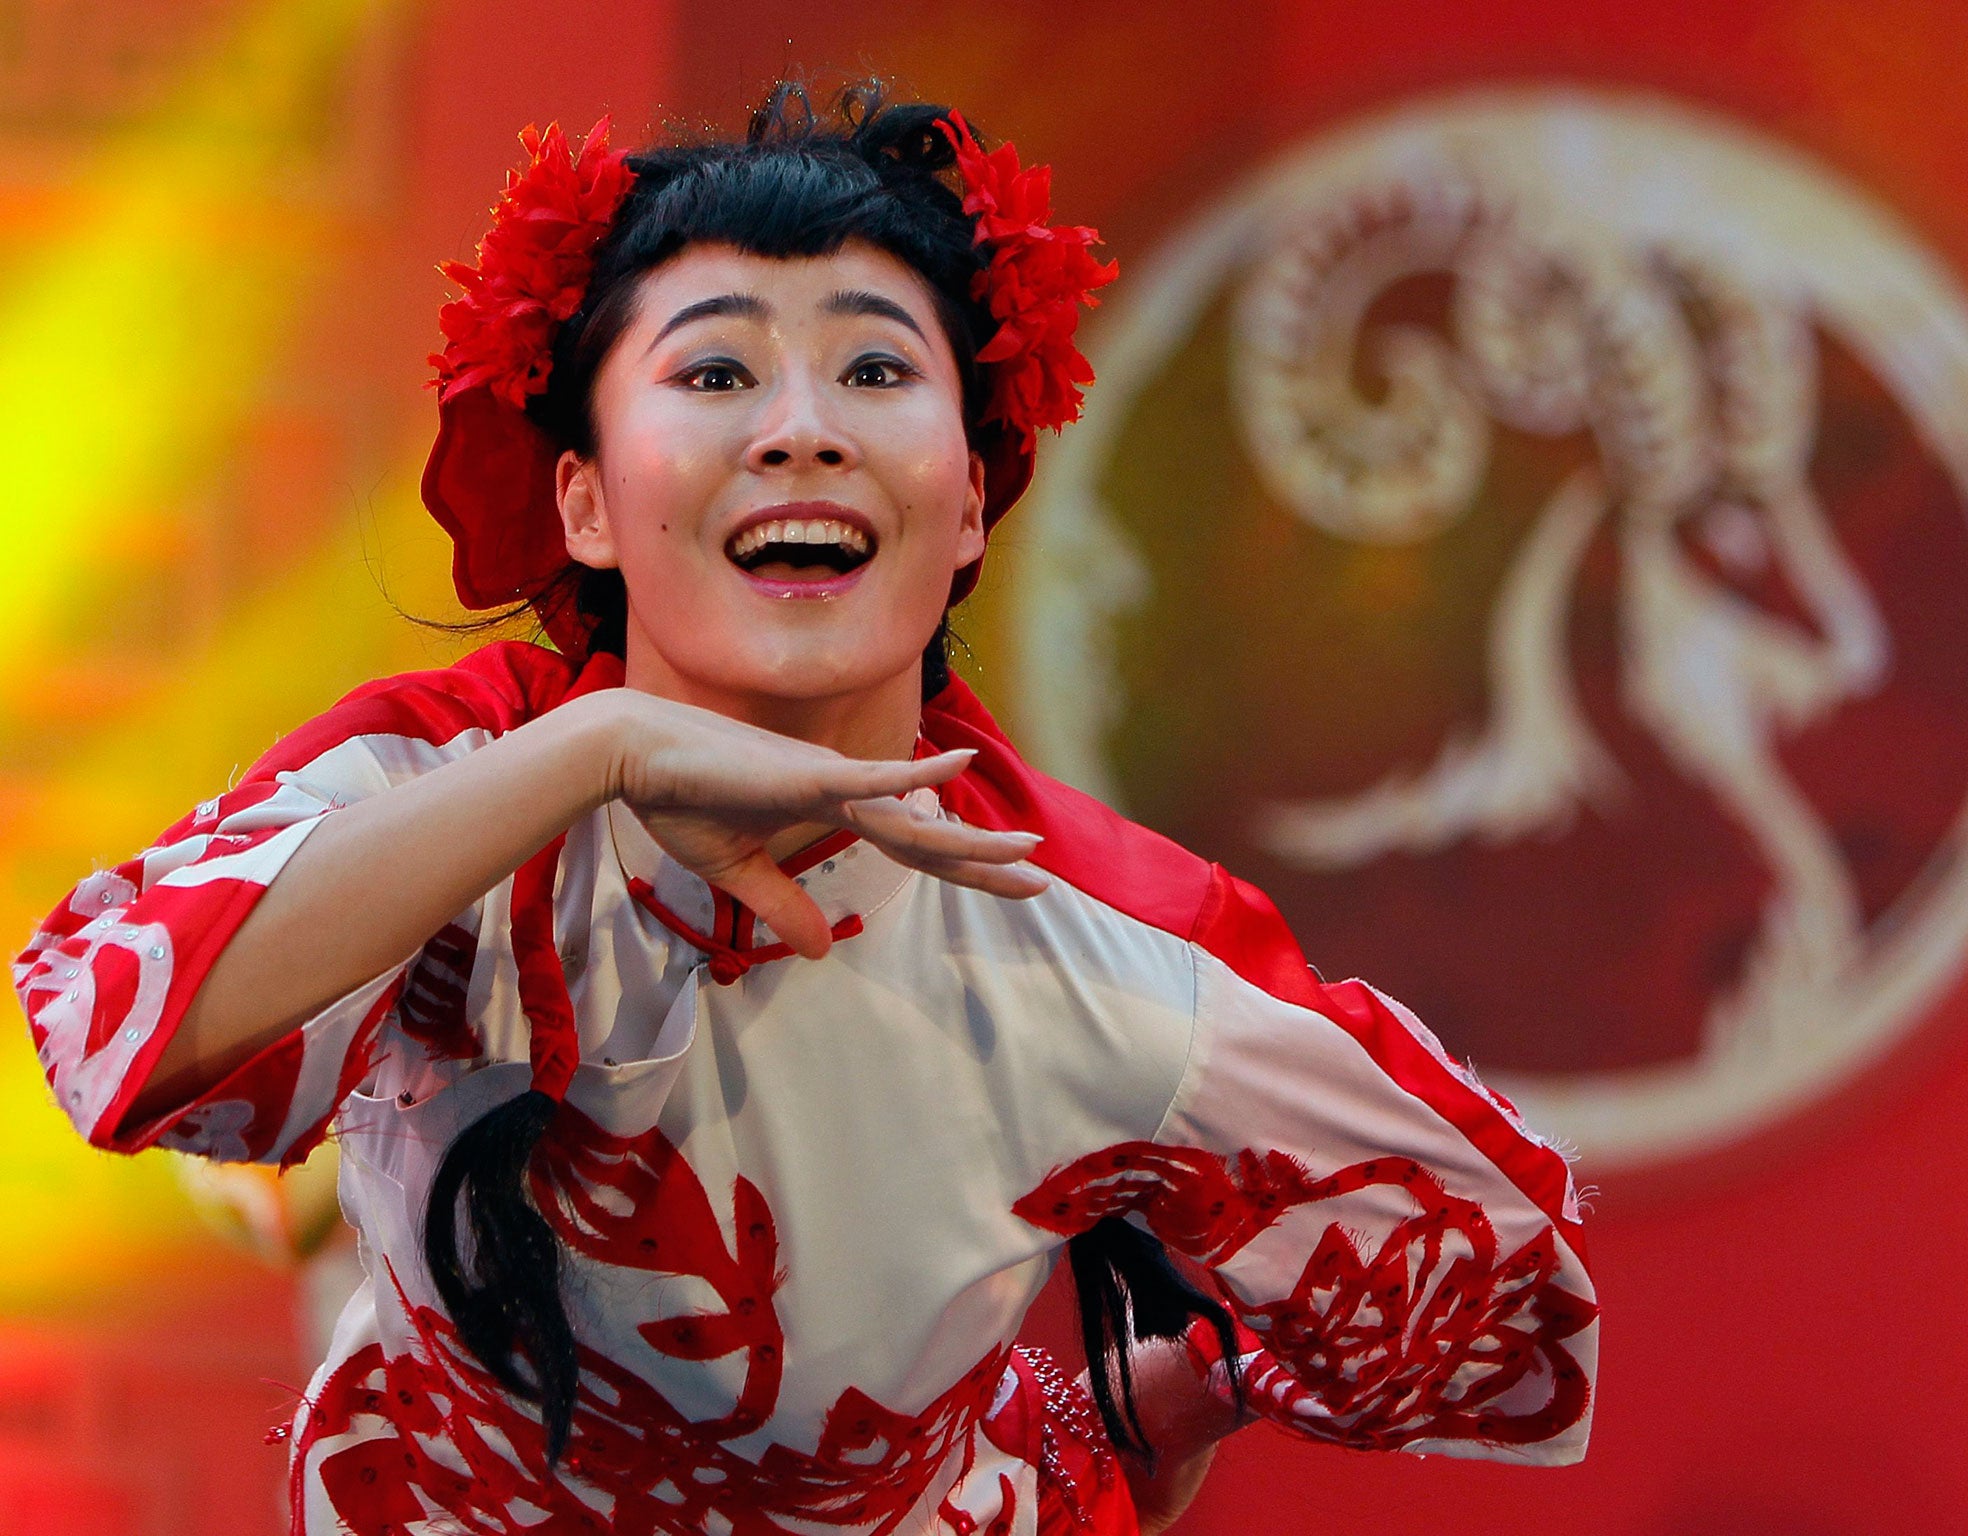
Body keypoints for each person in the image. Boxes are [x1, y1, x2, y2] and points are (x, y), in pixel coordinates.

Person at [15, 83, 1597, 1536]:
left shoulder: (1104, 944)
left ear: (969, 495)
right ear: (584, 494)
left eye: (875, 369)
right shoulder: (447, 784)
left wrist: (1132, 1419)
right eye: (715, 369)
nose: (802, 426)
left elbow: (1504, 1312)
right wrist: (597, 757)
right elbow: (121, 1034)